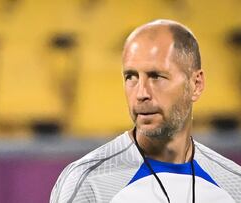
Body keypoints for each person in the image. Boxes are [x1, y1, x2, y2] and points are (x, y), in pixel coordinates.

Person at [50, 19, 241, 203]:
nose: (141, 93)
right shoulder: (89, 182)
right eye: (131, 77)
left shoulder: (234, 184)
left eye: (156, 76)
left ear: (196, 85)